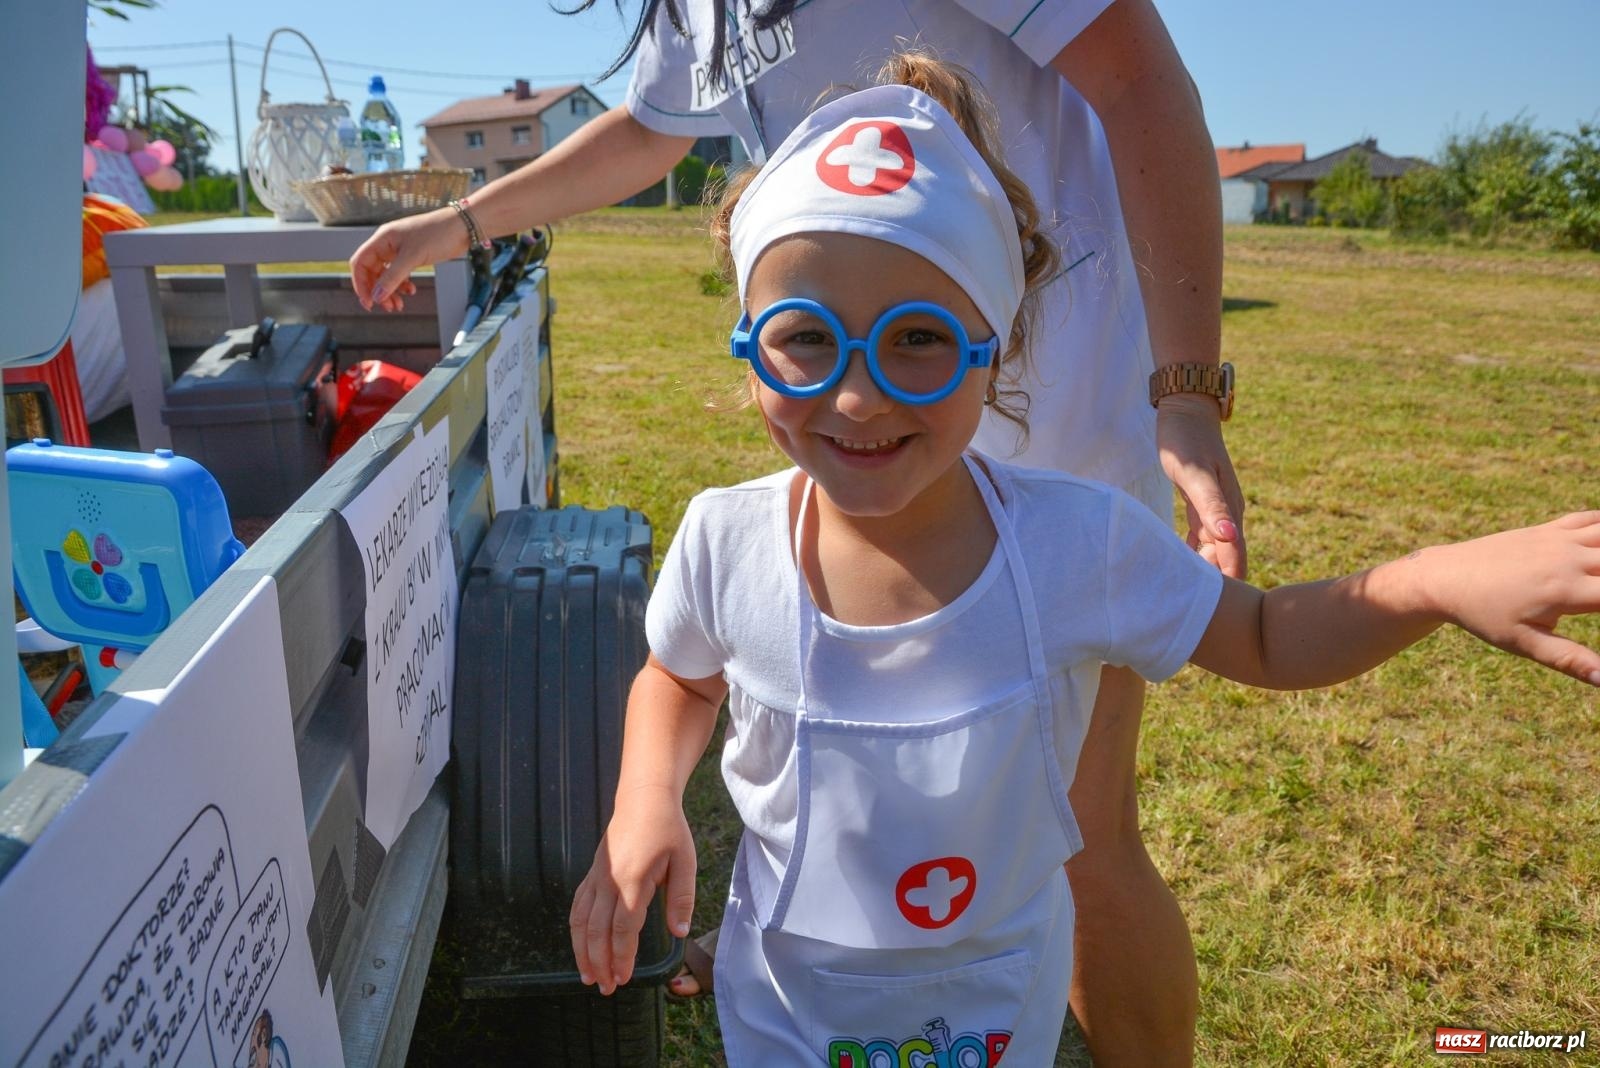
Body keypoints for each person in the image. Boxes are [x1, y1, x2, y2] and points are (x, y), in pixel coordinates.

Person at [566, 64, 1600, 1064]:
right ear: (746, 344)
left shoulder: (1076, 545)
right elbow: (679, 676)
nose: (856, 395)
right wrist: (644, 801)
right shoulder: (723, 539)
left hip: (992, 1013)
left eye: (918, 339)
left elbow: (1266, 636)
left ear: (995, 346)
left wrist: (1428, 582)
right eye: (805, 339)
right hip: (786, 1013)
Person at [351, 3, 1237, 1060]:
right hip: (878, 424)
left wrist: (1181, 387)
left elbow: (1136, 79)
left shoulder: (1065, 519)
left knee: (1078, 834)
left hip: (1043, 420)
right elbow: (654, 124)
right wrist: (463, 224)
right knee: (869, 787)